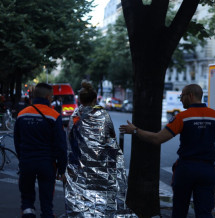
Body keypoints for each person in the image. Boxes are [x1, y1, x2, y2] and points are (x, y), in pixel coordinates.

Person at [119, 84, 215, 218]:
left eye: (182, 96)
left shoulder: (182, 117)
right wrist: (209, 159)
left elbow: (158, 138)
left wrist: (135, 130)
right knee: (204, 212)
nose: (181, 99)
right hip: (207, 169)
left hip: (186, 169)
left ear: (190, 96)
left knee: (179, 211)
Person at [64, 80, 135, 217]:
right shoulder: (103, 115)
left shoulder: (75, 116)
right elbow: (111, 139)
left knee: (81, 197)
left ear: (79, 100)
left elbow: (70, 141)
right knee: (100, 196)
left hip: (79, 164)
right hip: (101, 164)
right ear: (95, 99)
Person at [14, 83, 67, 218]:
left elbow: (17, 141)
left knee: (26, 202)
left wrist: (22, 159)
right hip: (47, 164)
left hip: (27, 162)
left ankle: (28, 213)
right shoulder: (54, 116)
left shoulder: (21, 115)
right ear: (48, 97)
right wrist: (62, 168)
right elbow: (60, 145)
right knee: (47, 202)